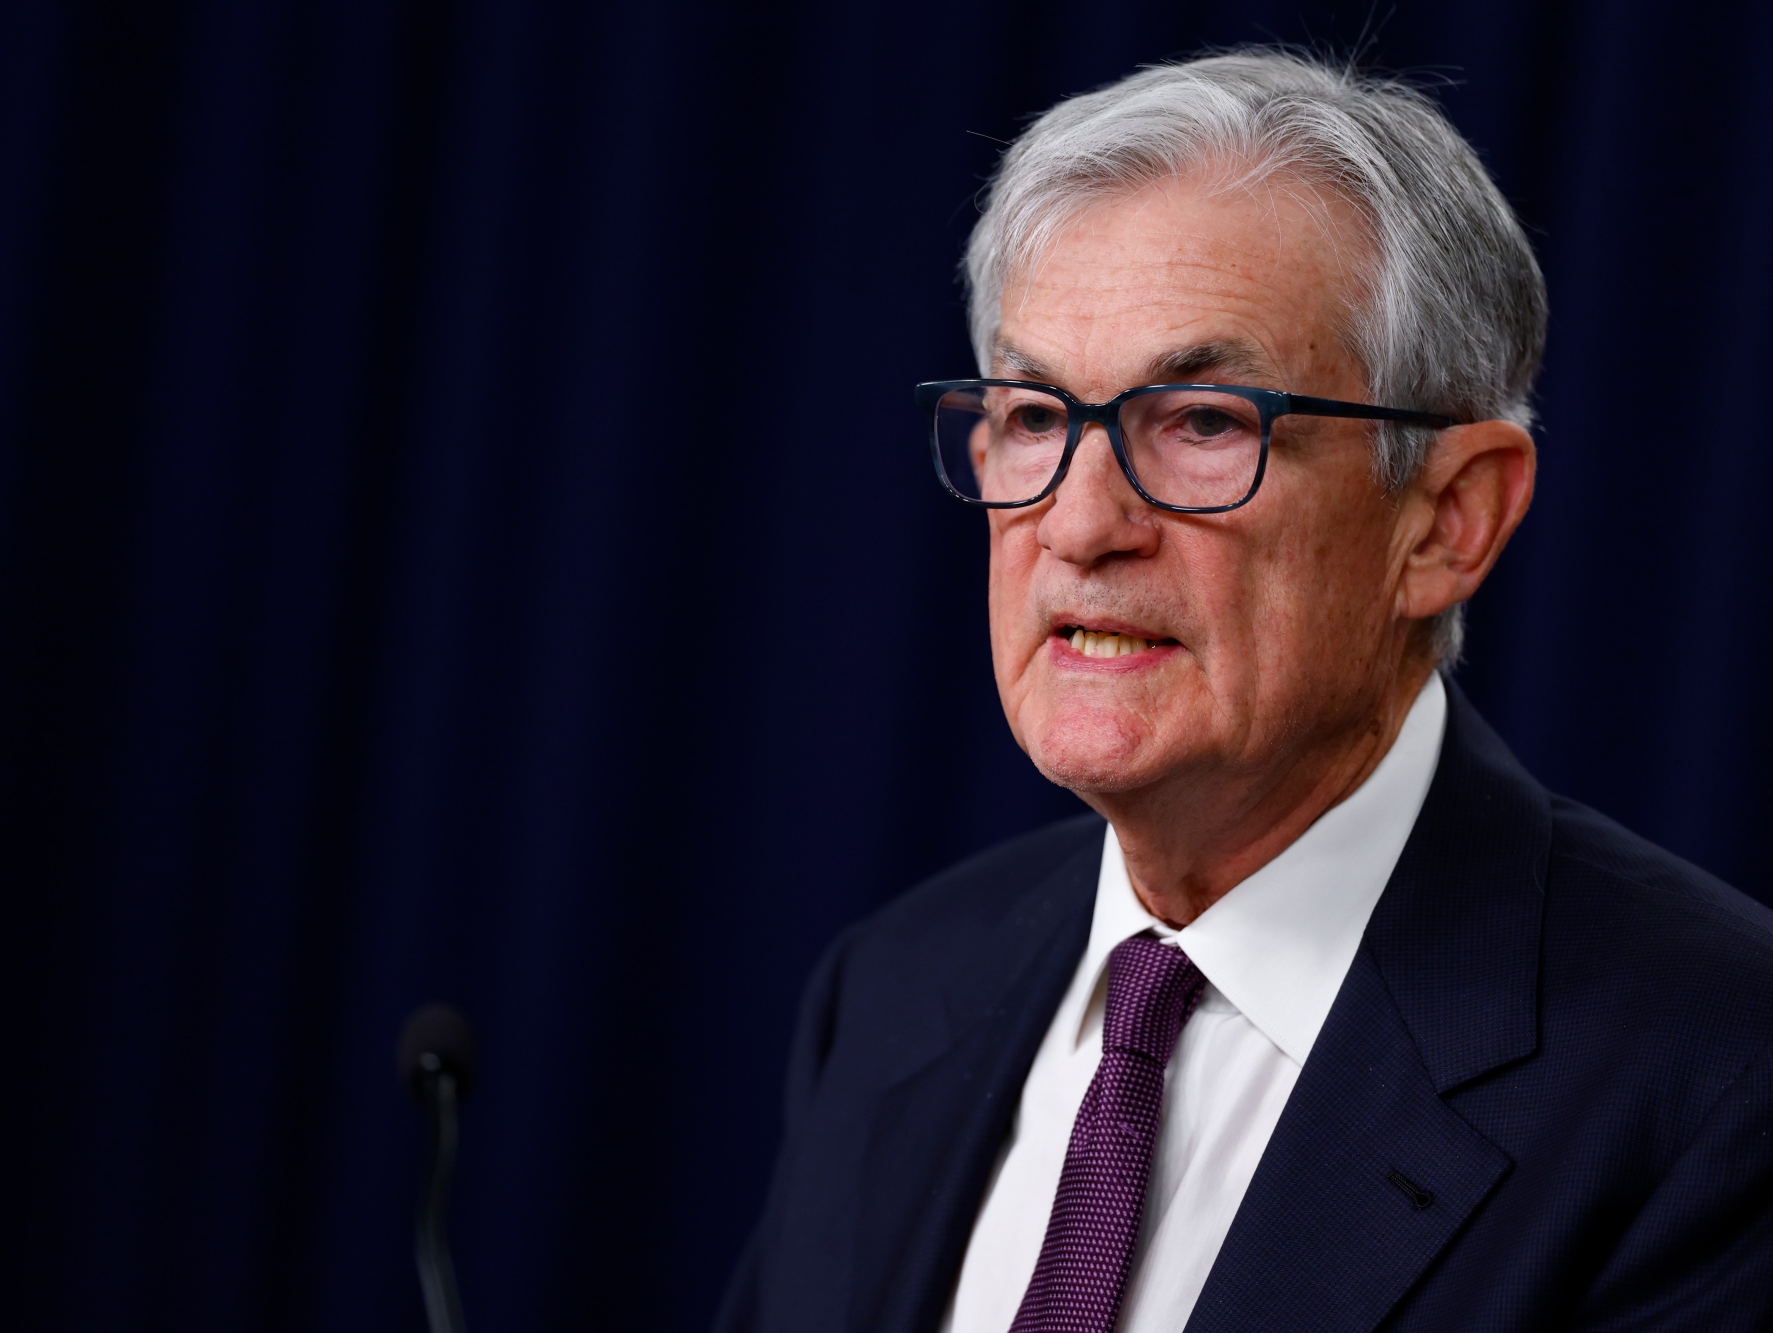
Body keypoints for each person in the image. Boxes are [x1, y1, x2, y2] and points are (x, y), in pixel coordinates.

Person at [715, 49, 1773, 1333]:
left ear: (1445, 518)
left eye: (1203, 421)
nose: (1079, 523)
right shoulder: (890, 989)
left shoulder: (1715, 1074)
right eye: (1037, 414)